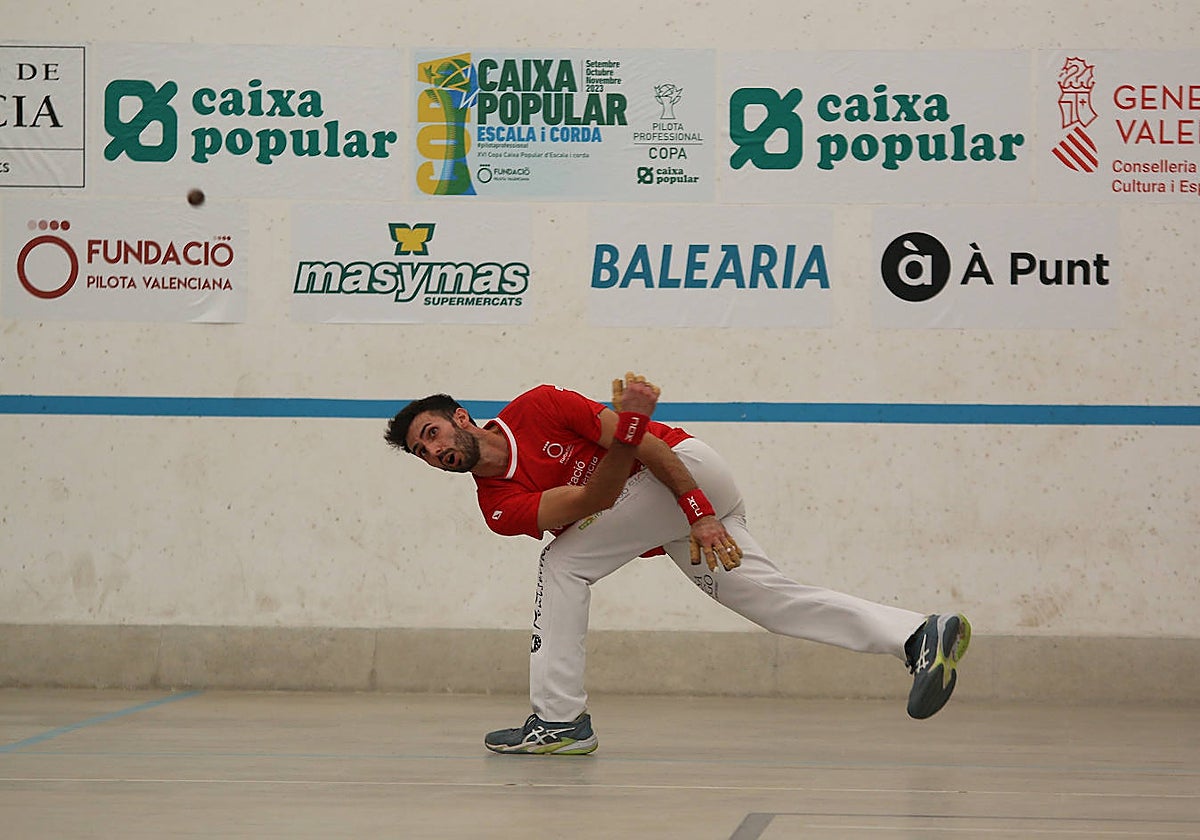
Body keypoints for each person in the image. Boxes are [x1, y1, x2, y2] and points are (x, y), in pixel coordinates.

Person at [384, 373, 970, 755]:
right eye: (422, 452)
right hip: (668, 509)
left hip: (685, 469)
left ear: (461, 417)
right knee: (767, 598)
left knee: (563, 567)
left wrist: (697, 510)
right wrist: (678, 497)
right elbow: (593, 502)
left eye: (432, 433)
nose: (434, 452)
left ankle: (559, 721)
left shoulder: (539, 405)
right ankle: (917, 635)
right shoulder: (497, 506)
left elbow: (649, 445)